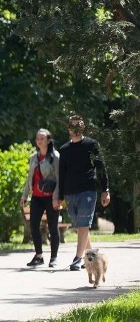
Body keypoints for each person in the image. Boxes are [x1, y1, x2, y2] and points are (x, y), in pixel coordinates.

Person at [53, 115, 110, 271]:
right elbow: (62, 175)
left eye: (78, 126)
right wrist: (59, 197)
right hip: (70, 194)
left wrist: (105, 190)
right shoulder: (64, 150)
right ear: (68, 129)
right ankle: (92, 257)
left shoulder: (92, 144)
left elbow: (102, 168)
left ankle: (77, 258)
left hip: (88, 191)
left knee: (83, 225)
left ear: (83, 127)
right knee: (81, 226)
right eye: (72, 127)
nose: (75, 130)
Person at [20, 129, 61, 267]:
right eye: (37, 138)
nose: (39, 140)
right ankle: (39, 256)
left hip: (51, 197)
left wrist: (57, 198)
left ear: (48, 141)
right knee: (33, 226)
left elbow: (59, 180)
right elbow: (29, 178)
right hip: (36, 197)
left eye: (42, 138)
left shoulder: (55, 157)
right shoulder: (33, 157)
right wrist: (25, 195)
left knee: (53, 228)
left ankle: (54, 258)